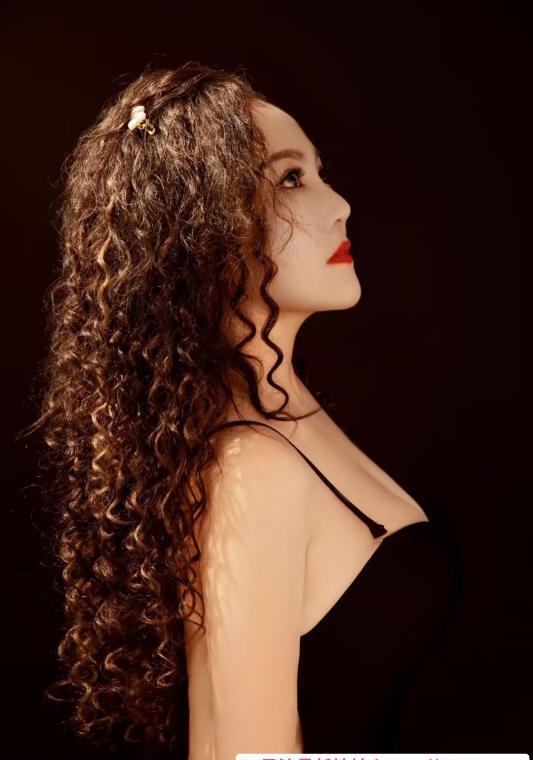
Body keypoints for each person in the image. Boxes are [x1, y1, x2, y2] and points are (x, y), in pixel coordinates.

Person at [17, 61, 461, 758]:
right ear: (203, 226)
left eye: (317, 172)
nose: (339, 204)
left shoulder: (286, 412)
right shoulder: (254, 468)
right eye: (290, 179)